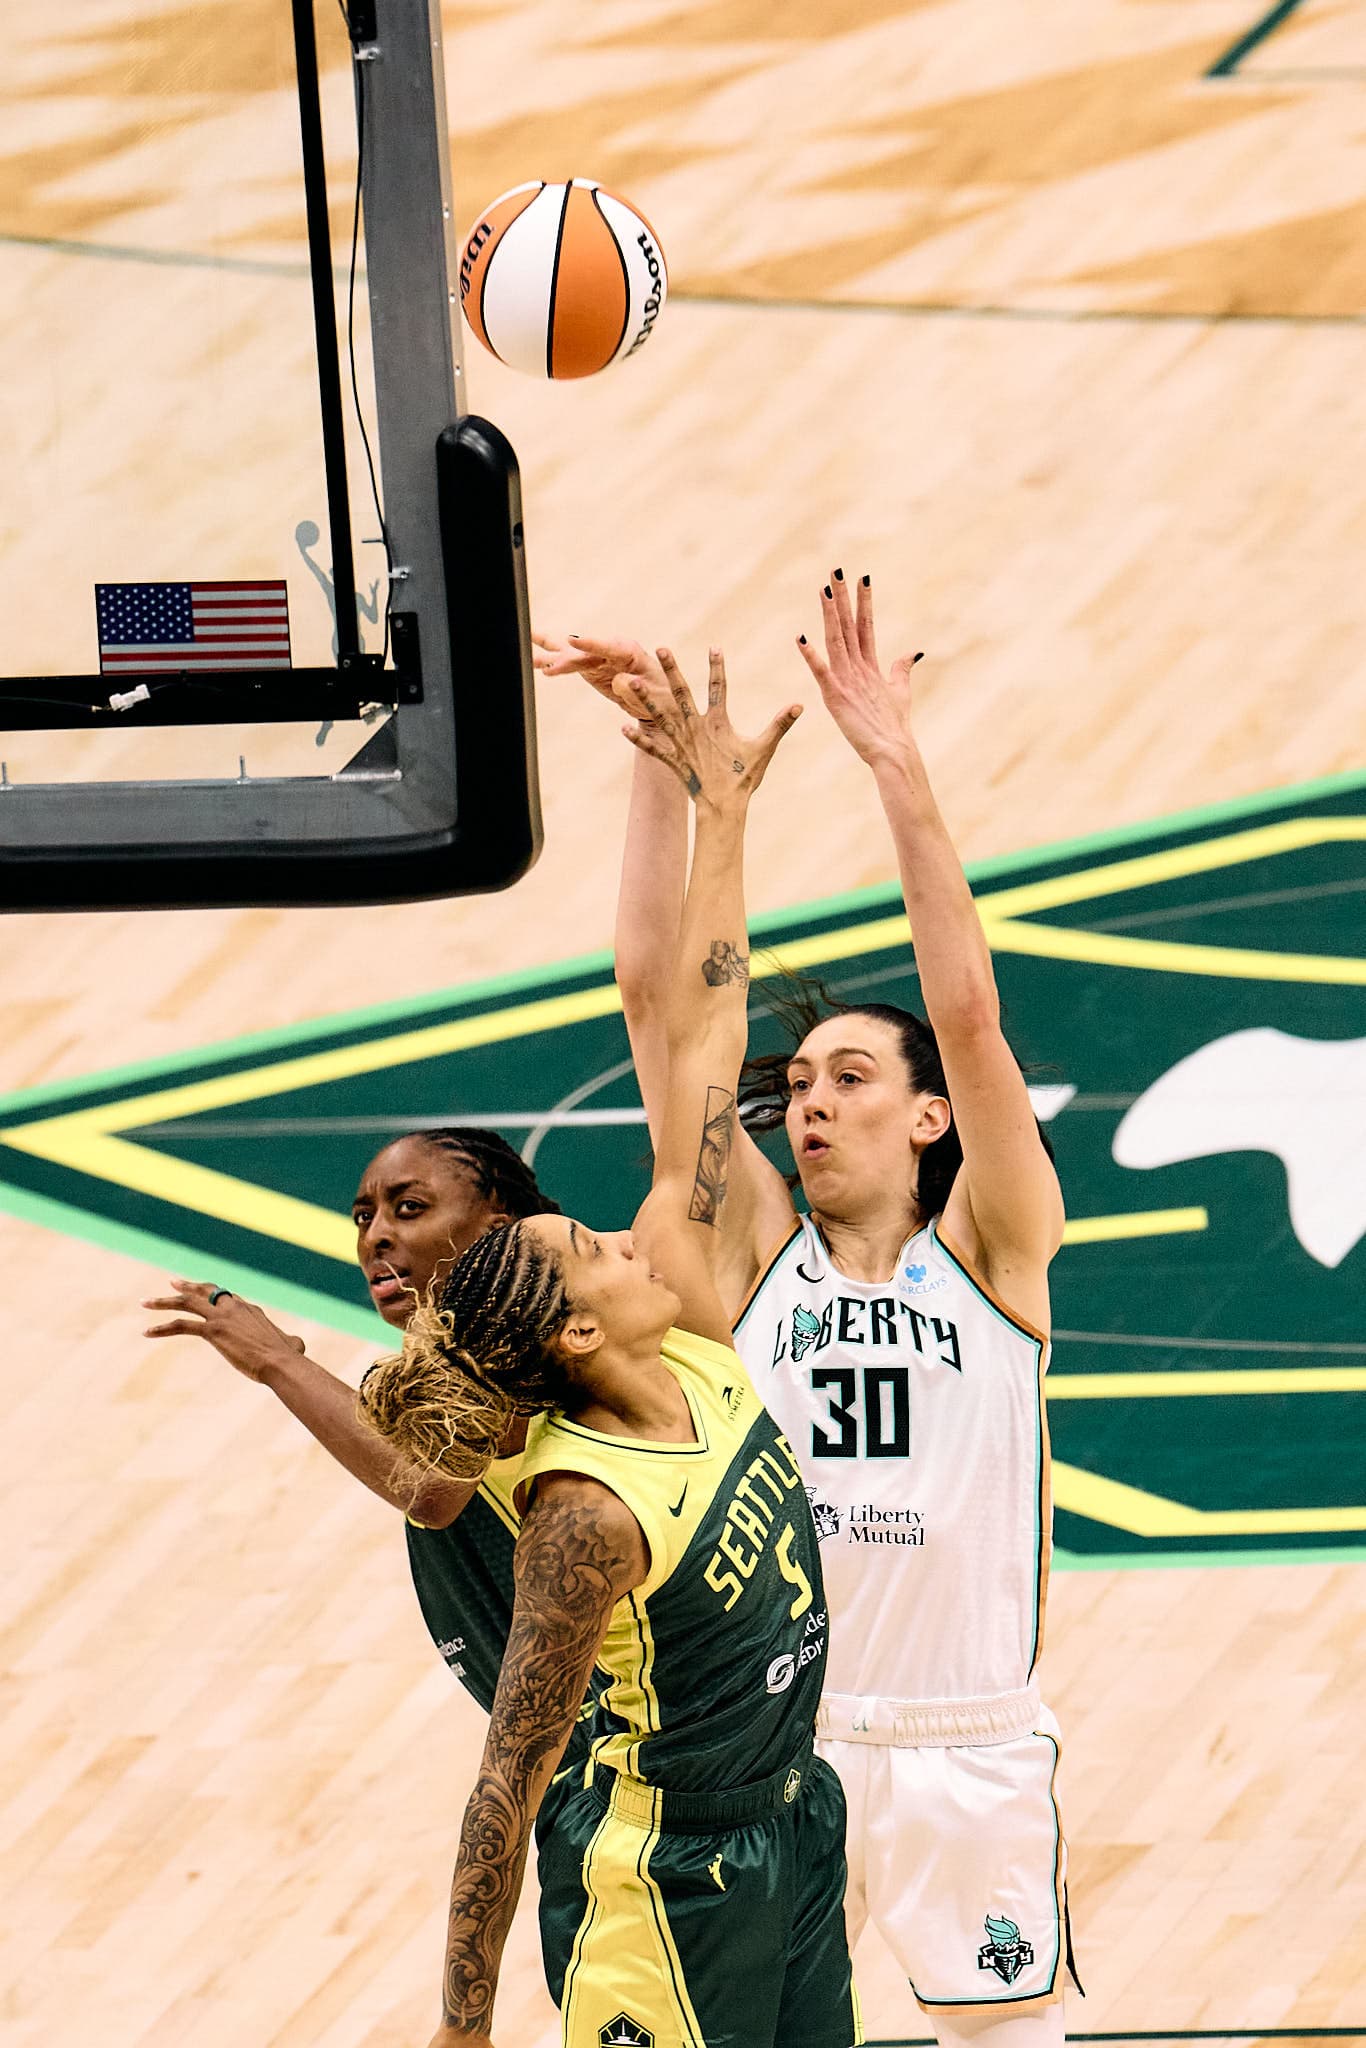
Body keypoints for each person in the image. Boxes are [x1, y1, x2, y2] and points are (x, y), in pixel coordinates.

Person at [541, 575, 1076, 2047]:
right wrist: (667, 776)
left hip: (966, 1738)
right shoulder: (753, 1258)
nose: (812, 1101)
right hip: (781, 1740)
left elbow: (966, 1013)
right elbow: (661, 1007)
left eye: (850, 1078)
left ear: (927, 1117)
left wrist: (894, 761)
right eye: (800, 1085)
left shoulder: (995, 1254)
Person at [360, 650, 859, 2048]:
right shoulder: (585, 1511)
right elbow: (507, 1779)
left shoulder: (689, 1331)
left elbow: (701, 1031)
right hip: (663, 1875)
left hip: (790, 1819)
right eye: (594, 1247)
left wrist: (723, 813)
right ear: (579, 1328)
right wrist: (462, 2023)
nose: (631, 1236)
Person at [141, 1128, 601, 1734]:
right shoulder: (465, 1359)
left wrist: (277, 1362)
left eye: (409, 1208)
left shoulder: (528, 1345)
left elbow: (428, 1483)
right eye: (363, 1216)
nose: (374, 1235)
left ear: (496, 1230)